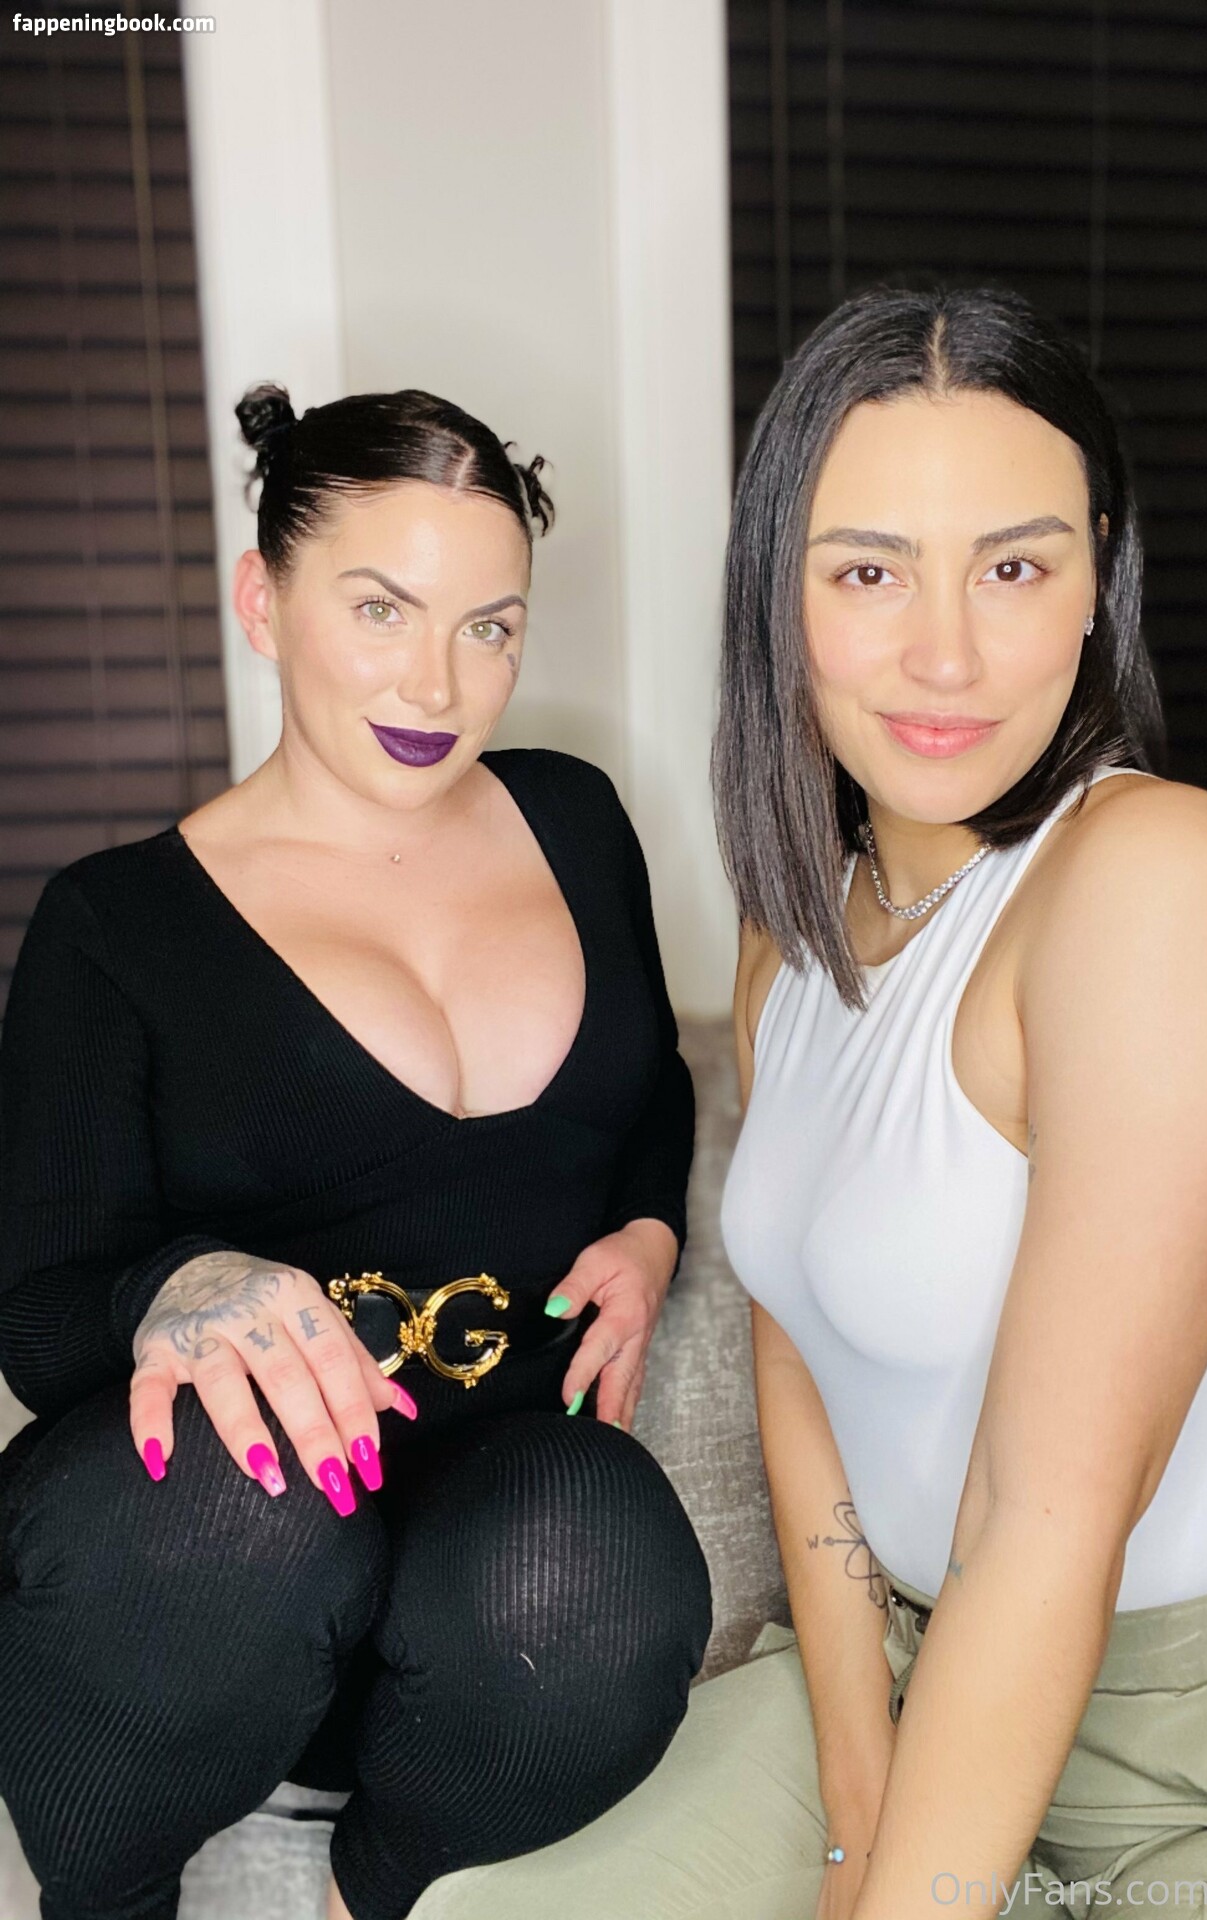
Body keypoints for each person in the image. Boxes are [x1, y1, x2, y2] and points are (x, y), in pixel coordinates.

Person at [407, 285, 1207, 1920]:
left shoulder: (1157, 885)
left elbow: (1045, 1520)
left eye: (1014, 569)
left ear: (1098, 580)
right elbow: (800, 1345)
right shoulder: (798, 919)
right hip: (917, 1664)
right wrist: (854, 1798)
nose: (945, 653)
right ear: (779, 597)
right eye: (869, 571)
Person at [0, 382, 711, 1920]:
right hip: (196, 1590)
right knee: (246, 1510)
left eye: (489, 626)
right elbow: (37, 1314)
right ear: (264, 601)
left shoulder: (577, 821)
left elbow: (650, 1083)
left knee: (602, 1562)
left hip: (477, 1585)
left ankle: (369, 1889)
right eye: (380, 608)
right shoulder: (118, 923)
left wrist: (652, 1231)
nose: (437, 684)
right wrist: (183, 1283)